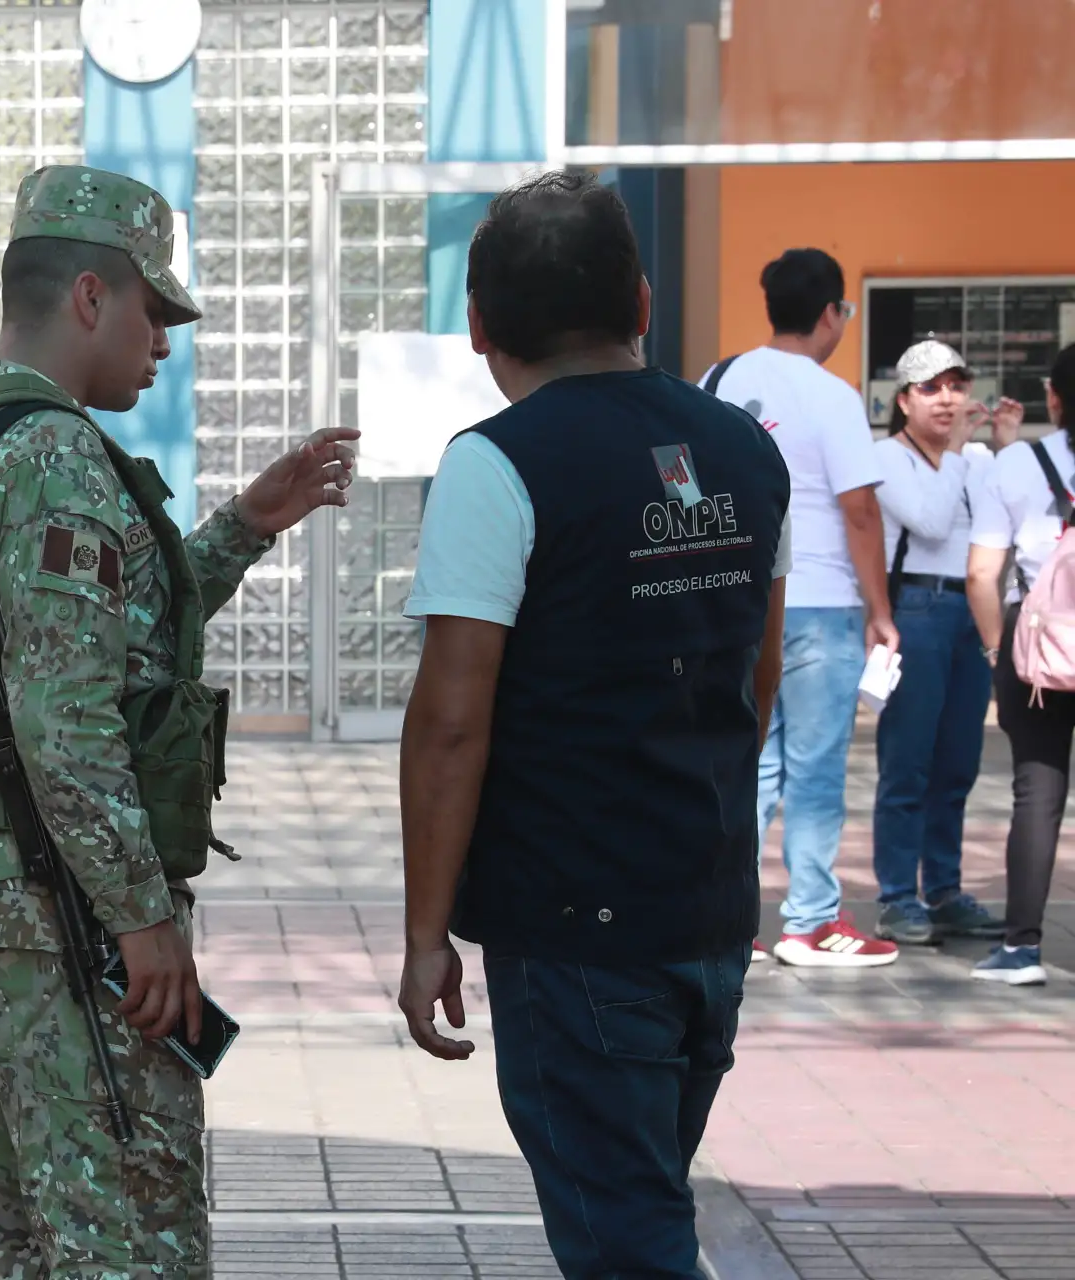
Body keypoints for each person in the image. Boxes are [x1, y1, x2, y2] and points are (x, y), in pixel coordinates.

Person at [0, 165, 357, 1276]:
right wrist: (141, 915)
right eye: (155, 311)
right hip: (57, 898)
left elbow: (75, 636)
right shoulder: (54, 448)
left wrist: (244, 522)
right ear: (92, 297)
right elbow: (65, 712)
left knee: (8, 1234)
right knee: (127, 1231)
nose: (164, 341)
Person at [397, 171, 790, 1280]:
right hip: (707, 909)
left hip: (574, 928)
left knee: (628, 1240)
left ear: (479, 326)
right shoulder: (745, 449)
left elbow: (450, 722)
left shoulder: (497, 462)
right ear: (645, 303)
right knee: (644, 1197)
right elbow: (755, 673)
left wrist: (429, 931)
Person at [702, 247, 901, 968]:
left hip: (740, 601)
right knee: (815, 770)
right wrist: (879, 609)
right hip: (819, 604)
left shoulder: (719, 379)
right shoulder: (833, 396)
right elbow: (859, 513)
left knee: (747, 762)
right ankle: (810, 921)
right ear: (831, 314)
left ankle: (730, 914)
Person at [870, 340, 1018, 944]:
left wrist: (1006, 448)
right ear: (903, 400)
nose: (947, 398)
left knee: (958, 760)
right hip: (916, 610)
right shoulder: (885, 457)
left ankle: (946, 888)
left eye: (956, 385)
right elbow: (928, 521)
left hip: (972, 610)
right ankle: (898, 895)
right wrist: (960, 451)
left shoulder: (979, 458)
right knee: (908, 760)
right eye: (931, 387)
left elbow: (1008, 515)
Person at [966, 342, 1075, 986]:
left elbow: (983, 573)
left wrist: (994, 648)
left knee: (1037, 793)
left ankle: (1021, 948)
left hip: (1034, 652)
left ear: (1053, 398)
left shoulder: (1016, 464)